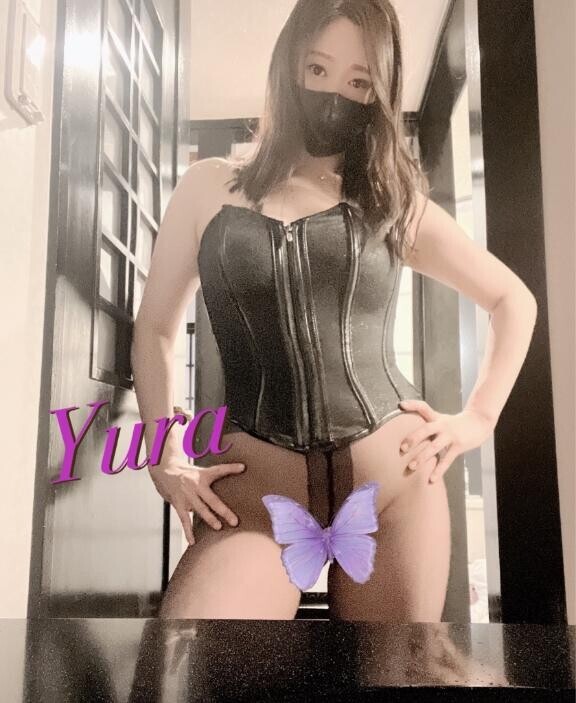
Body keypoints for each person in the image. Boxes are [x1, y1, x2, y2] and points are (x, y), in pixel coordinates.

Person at [131, 0, 537, 621]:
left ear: (378, 95)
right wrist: (163, 456)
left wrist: (478, 419)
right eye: (317, 69)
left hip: (395, 485)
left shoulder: (394, 203)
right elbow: (157, 330)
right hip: (255, 485)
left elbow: (514, 300)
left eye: (358, 82)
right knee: (199, 656)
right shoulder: (207, 186)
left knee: (393, 671)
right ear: (289, 63)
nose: (333, 96)